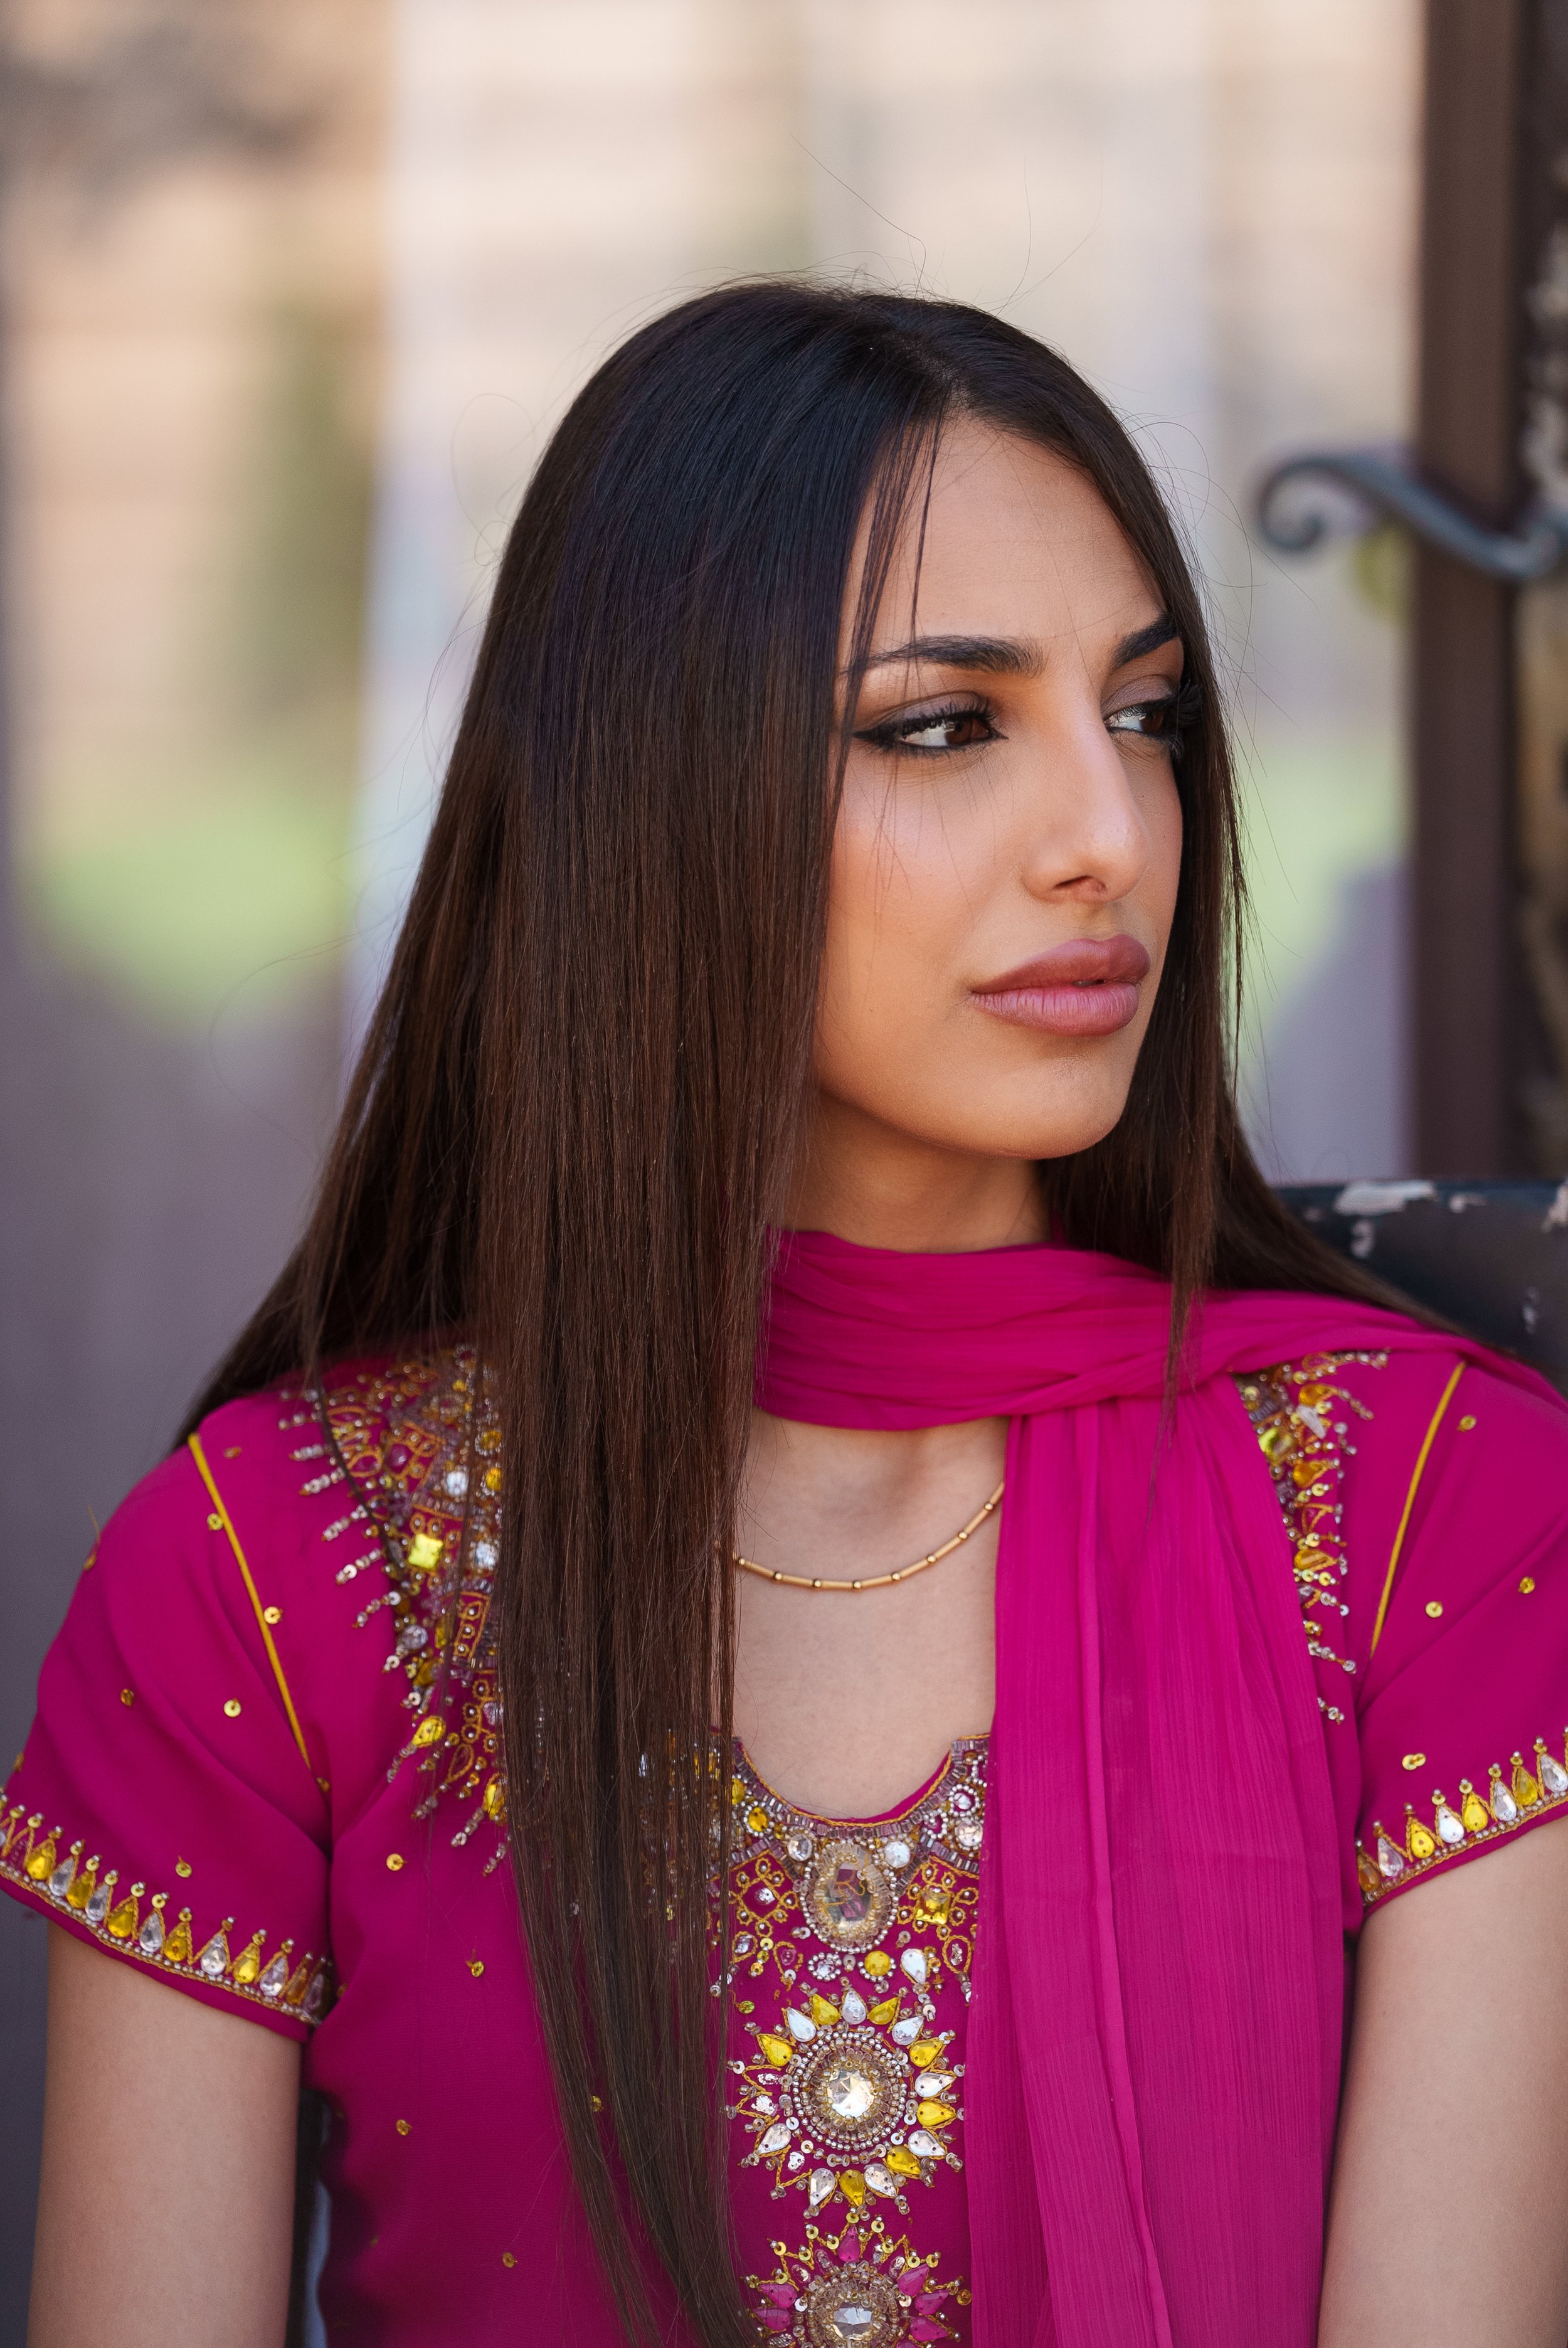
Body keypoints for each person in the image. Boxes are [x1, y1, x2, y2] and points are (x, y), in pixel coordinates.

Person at [7, 285, 1568, 2348]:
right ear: (653, 795)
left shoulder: (1422, 1509)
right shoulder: (283, 1570)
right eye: (941, 726)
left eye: (1149, 713)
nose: (1107, 837)